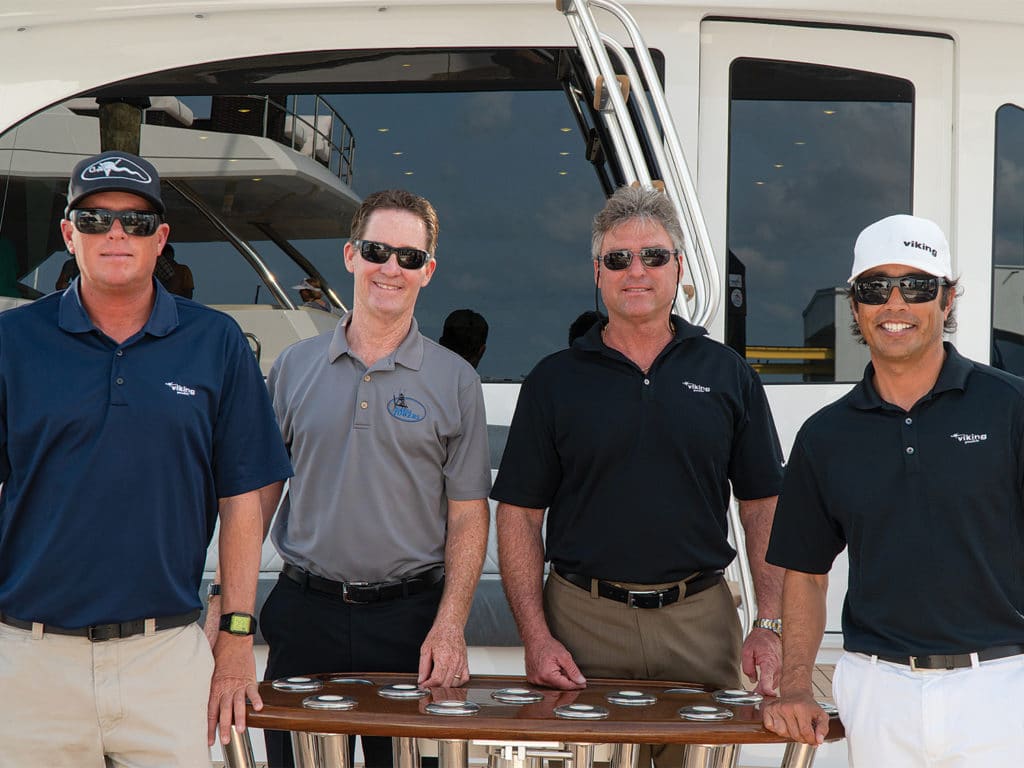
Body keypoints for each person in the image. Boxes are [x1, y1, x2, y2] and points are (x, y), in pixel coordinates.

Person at [0, 149, 292, 766]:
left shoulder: (216, 343)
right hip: (29, 660)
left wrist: (237, 639)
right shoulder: (11, 343)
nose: (115, 233)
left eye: (134, 222)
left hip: (166, 657)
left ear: (160, 239)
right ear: (67, 234)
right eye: (95, 218)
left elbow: (244, 499)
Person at [492, 185, 785, 768]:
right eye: (618, 258)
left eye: (654, 256)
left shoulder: (728, 375)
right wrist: (535, 635)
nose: (637, 271)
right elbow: (520, 516)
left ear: (679, 267)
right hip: (582, 624)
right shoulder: (553, 381)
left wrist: (771, 623)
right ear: (597, 273)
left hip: (701, 624)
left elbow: (763, 507)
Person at [218, 189, 491, 768]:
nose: (391, 268)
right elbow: (257, 501)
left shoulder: (456, 381)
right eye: (377, 250)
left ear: (428, 272)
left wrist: (450, 626)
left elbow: (468, 514)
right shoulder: (293, 368)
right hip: (303, 616)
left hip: (411, 625)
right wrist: (230, 615)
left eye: (409, 257)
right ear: (350, 255)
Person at [763, 214, 1024, 767]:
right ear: (856, 306)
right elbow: (805, 574)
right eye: (876, 288)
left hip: (1002, 687)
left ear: (947, 300)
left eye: (918, 286)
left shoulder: (1011, 409)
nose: (896, 304)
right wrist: (793, 687)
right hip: (878, 691)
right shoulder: (826, 435)